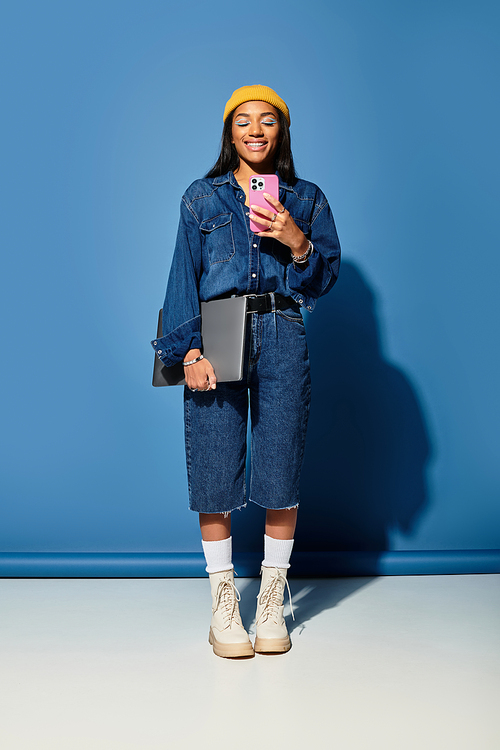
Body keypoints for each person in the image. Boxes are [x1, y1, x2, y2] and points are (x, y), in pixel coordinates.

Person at [152, 84, 341, 658]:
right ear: (229, 132)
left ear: (281, 131)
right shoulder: (200, 199)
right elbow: (182, 277)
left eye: (267, 121)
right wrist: (186, 353)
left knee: (280, 464)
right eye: (243, 122)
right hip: (219, 331)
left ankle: (271, 600)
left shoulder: (304, 198)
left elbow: (325, 278)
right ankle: (224, 604)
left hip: (284, 329)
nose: (255, 131)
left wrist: (294, 238)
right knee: (214, 461)